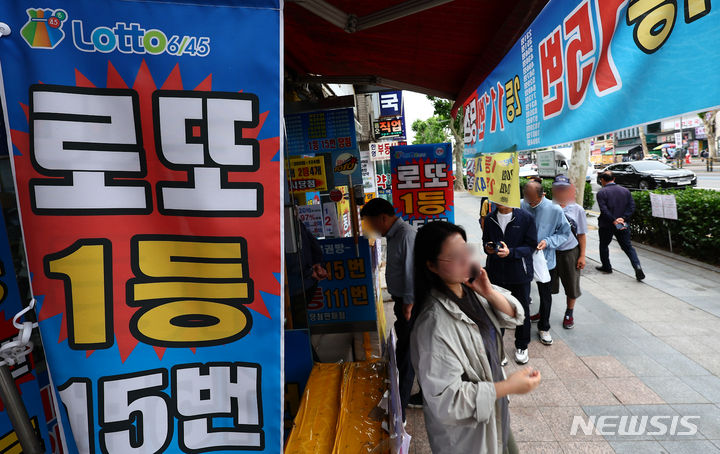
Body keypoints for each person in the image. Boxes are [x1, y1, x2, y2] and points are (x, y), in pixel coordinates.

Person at [410, 221, 541, 454]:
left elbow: (514, 315)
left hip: (494, 410)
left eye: (466, 251)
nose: (466, 261)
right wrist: (507, 386)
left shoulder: (468, 289)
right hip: (468, 434)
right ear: (431, 265)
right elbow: (446, 400)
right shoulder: (433, 324)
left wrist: (488, 292)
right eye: (454, 256)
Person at [359, 198, 422, 417]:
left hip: (409, 305)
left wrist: (408, 304)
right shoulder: (394, 235)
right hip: (402, 302)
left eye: (371, 223)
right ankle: (422, 395)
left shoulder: (406, 235)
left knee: (406, 354)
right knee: (412, 351)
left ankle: (399, 413)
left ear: (382, 218)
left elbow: (411, 272)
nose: (372, 229)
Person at [482, 203, 538, 364]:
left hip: (519, 273)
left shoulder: (525, 217)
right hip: (496, 272)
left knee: (522, 309)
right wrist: (489, 248)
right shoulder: (490, 218)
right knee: (496, 310)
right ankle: (498, 348)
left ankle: (522, 345)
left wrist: (511, 252)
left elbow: (531, 245)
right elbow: (485, 241)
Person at [521, 179, 571, 345]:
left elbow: (565, 233)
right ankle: (521, 323)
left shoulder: (554, 209)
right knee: (522, 292)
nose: (529, 201)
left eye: (532, 198)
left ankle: (544, 327)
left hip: (545, 258)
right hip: (523, 257)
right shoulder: (521, 205)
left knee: (545, 295)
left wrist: (548, 241)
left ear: (542, 194)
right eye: (526, 196)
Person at [550, 176, 588, 329]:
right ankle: (543, 311)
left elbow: (582, 234)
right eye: (558, 188)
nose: (561, 191)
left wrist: (582, 255)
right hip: (550, 252)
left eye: (563, 188)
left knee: (571, 285)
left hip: (570, 252)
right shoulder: (547, 207)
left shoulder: (577, 209)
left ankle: (569, 312)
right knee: (546, 285)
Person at [596, 171, 645, 281]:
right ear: (614, 179)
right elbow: (632, 207)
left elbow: (604, 210)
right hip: (623, 224)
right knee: (628, 247)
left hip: (607, 224)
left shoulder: (601, 193)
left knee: (604, 245)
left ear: (602, 180)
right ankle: (637, 266)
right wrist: (623, 218)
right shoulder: (625, 191)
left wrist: (614, 220)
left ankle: (607, 267)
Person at [285, 210, 328, 329]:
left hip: (295, 285)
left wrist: (310, 271)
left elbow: (291, 257)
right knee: (299, 324)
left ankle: (304, 346)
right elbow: (314, 244)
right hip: (307, 282)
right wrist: (318, 265)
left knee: (295, 325)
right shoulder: (294, 220)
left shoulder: (282, 223)